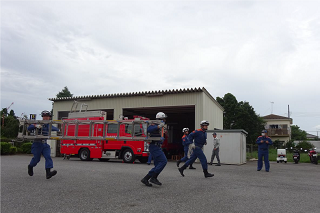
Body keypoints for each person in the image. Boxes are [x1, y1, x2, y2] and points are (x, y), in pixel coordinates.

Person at [27, 110, 59, 179]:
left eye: (47, 116)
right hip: (37, 144)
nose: (45, 118)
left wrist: (59, 129)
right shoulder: (38, 123)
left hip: (45, 144)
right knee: (36, 159)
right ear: (42, 117)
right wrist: (35, 126)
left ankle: (48, 173)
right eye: (44, 116)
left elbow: (54, 128)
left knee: (48, 156)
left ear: (49, 117)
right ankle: (30, 166)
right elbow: (29, 128)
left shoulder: (49, 125)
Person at [141, 112, 168, 186]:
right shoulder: (154, 124)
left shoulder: (161, 126)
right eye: (164, 118)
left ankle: (146, 179)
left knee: (157, 165)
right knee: (163, 161)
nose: (165, 120)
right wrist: (159, 126)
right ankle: (153, 178)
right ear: (160, 119)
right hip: (154, 146)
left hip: (157, 146)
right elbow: (149, 130)